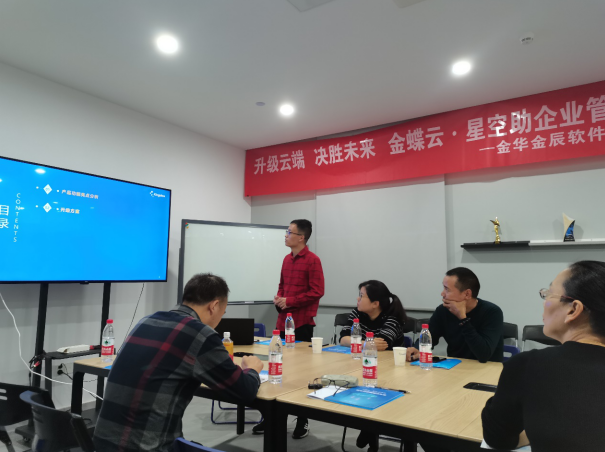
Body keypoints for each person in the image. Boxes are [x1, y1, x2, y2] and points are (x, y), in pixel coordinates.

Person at [93, 273, 263, 452]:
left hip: (101, 444)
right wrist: (252, 370)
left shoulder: (146, 321)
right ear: (214, 306)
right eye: (223, 312)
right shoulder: (201, 334)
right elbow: (244, 391)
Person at [482, 260, 605, 452]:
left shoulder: (529, 365)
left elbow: (497, 438)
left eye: (548, 294)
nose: (544, 302)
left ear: (573, 309)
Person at [253, 219, 325, 439]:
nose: (286, 235)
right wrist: (279, 299)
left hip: (302, 324)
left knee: (301, 373)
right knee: (277, 369)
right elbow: (282, 286)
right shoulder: (286, 259)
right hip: (282, 322)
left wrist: (290, 301)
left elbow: (317, 291)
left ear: (301, 237)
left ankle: (302, 420)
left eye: (289, 232)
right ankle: (271, 417)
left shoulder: (313, 260)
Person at [339, 280, 408, 452]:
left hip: (389, 372)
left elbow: (382, 345)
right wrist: (365, 343)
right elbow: (343, 339)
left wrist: (358, 342)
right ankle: (369, 429)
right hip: (362, 365)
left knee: (370, 390)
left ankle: (369, 428)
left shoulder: (392, 318)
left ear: (375, 303)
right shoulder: (357, 313)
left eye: (362, 296)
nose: (358, 299)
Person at [407, 267, 503, 363]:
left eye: (447, 289)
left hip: (487, 368)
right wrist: (417, 349)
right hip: (455, 366)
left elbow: (484, 355)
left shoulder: (492, 312)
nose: (442, 294)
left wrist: (463, 319)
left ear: (467, 294)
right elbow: (429, 337)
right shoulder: (443, 310)